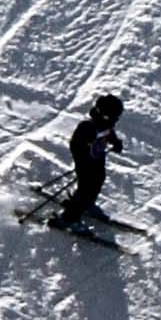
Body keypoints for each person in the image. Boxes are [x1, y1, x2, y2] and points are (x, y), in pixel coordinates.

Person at [50, 92, 124, 225]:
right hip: (85, 161)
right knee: (85, 188)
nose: (115, 121)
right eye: (113, 117)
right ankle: (69, 218)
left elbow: (110, 134)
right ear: (104, 115)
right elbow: (75, 144)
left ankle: (88, 204)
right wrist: (84, 159)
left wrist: (116, 142)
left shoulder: (106, 125)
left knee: (99, 179)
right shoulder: (87, 127)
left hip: (97, 158)